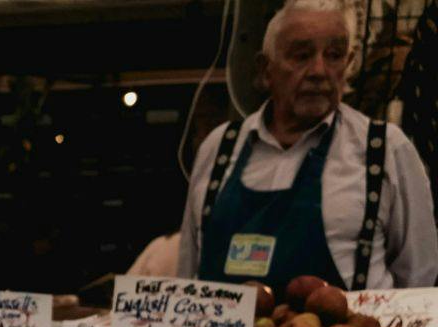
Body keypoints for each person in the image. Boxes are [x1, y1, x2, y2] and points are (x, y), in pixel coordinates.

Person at [178, 0, 436, 290]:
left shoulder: (384, 150)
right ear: (265, 70)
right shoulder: (219, 149)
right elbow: (189, 277)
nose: (319, 70)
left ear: (349, 63)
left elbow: (419, 284)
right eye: (301, 56)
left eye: (335, 55)